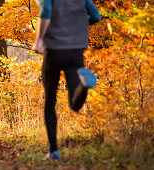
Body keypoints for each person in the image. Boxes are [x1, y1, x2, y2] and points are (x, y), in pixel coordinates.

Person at [32, 0, 101, 161]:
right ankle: (84, 85)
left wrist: (39, 40)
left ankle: (54, 151)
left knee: (50, 101)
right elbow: (96, 16)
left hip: (54, 52)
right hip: (76, 52)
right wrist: (77, 27)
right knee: (74, 105)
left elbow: (46, 9)